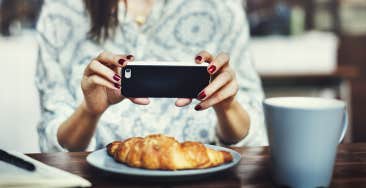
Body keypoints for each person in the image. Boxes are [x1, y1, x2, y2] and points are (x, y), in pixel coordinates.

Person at [36, 0, 267, 152]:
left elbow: (254, 138)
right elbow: (53, 147)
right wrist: (88, 112)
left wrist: (227, 108)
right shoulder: (62, 11)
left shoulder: (221, 8)